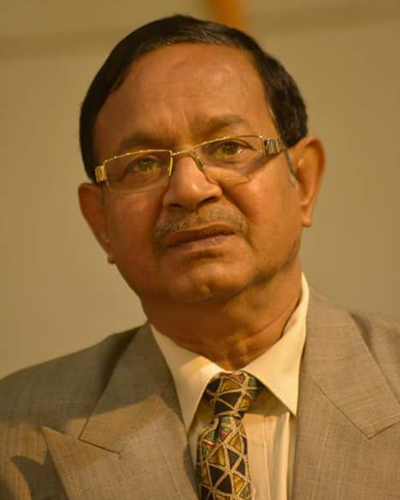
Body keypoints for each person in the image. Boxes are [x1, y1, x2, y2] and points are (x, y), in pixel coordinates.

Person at [1, 14, 399, 500]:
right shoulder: (13, 430)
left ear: (304, 182)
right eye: (143, 163)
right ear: (100, 220)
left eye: (229, 147)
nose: (189, 189)